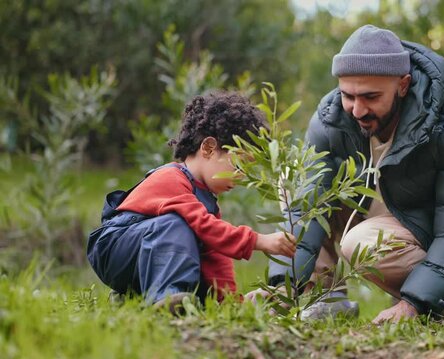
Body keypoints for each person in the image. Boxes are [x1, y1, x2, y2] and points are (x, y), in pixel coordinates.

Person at [248, 25, 444, 323]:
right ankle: (326, 297)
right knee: (295, 179)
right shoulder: (331, 120)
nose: (356, 110)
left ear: (403, 85)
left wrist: (413, 304)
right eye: (348, 95)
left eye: (370, 97)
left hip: (435, 235)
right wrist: (282, 286)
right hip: (378, 216)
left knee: (360, 243)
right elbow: (307, 206)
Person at [87, 92, 296, 313]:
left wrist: (237, 305)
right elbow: (204, 225)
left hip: (144, 253)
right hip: (114, 247)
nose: (242, 177)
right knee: (177, 224)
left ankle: (135, 297)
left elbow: (217, 260)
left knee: (193, 250)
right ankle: (169, 300)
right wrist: (258, 240)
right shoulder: (172, 179)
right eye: (238, 166)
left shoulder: (208, 206)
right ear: (208, 148)